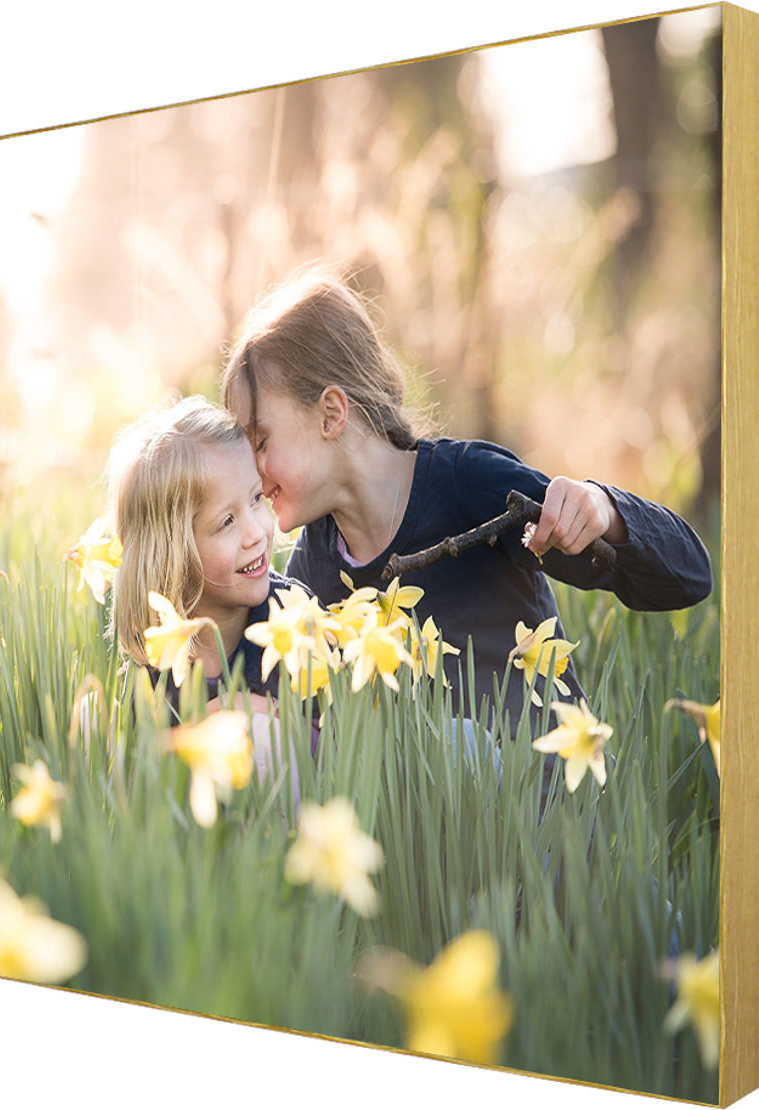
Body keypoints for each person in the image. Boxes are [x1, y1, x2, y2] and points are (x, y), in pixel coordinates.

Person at [220, 266, 713, 730]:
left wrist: (605, 513)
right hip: (427, 819)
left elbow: (687, 577)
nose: (252, 472)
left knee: (462, 743)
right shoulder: (314, 570)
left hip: (536, 807)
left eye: (260, 442)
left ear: (331, 414)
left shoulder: (470, 487)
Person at [105, 395, 311, 797]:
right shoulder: (156, 657)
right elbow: (139, 784)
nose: (256, 532)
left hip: (287, 834)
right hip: (195, 844)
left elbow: (347, 748)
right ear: (174, 552)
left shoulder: (295, 620)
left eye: (256, 499)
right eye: (227, 522)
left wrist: (265, 715)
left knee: (262, 739)